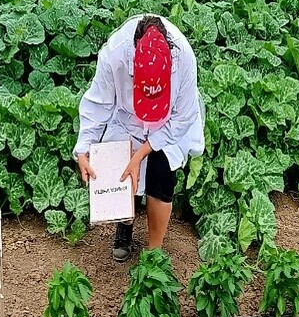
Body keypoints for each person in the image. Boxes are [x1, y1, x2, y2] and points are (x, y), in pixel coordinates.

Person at [73, 14, 205, 262]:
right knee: (121, 169)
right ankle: (125, 226)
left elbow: (183, 117)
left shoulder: (184, 56)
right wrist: (83, 148)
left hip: (170, 123)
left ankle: (154, 251)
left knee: (161, 173)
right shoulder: (115, 53)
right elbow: (98, 103)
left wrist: (143, 151)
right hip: (128, 119)